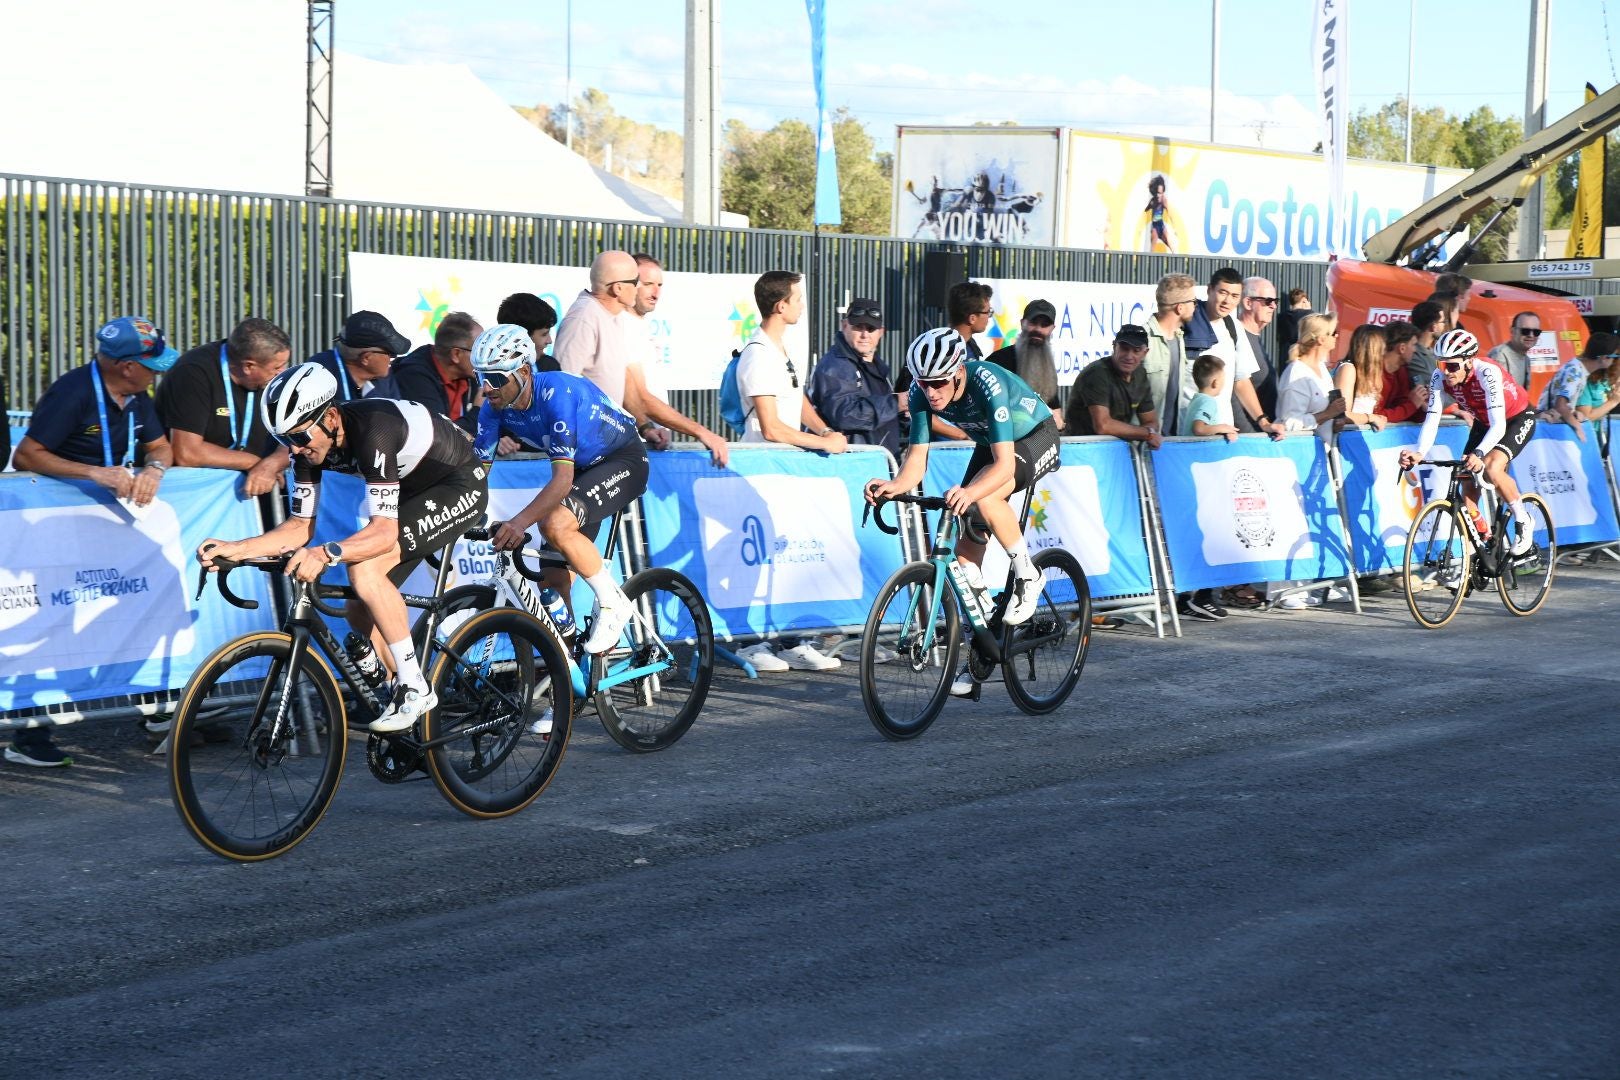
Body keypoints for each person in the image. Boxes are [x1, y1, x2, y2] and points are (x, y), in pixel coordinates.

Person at [195, 364, 489, 733]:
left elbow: (382, 533)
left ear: (331, 416)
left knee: (363, 570)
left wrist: (325, 553)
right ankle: (401, 699)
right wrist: (237, 548)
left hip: (457, 483)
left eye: (300, 436)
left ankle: (415, 687)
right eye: (286, 440)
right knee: (357, 606)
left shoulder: (374, 430)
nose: (296, 449)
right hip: (411, 491)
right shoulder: (307, 448)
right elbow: (300, 527)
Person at [9, 316, 178, 767]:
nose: (156, 373)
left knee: (131, 607)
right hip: (55, 529)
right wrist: (93, 473)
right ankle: (27, 732)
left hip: (107, 531)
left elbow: (162, 447)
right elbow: (26, 454)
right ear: (125, 366)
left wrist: (154, 470)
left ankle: (157, 707)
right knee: (52, 620)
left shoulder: (138, 397)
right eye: (150, 365)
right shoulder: (75, 392)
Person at [866, 328, 1061, 695]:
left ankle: (1028, 575)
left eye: (939, 382)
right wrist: (893, 486)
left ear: (958, 371)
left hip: (1034, 435)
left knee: (985, 500)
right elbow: (917, 460)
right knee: (965, 557)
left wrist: (971, 490)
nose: (931, 391)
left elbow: (1003, 468)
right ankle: (986, 642)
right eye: (924, 383)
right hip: (995, 442)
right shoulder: (921, 394)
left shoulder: (987, 383)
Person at [468, 324, 644, 653]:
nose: (487, 387)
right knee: (551, 585)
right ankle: (567, 673)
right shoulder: (493, 409)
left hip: (622, 460)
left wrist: (519, 522)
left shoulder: (556, 393)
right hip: (582, 470)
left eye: (496, 378)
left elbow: (561, 481)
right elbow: (477, 473)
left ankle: (613, 603)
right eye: (481, 378)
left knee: (554, 524)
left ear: (522, 371)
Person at [734, 270, 848, 673]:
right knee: (765, 560)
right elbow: (771, 427)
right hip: (762, 472)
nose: (802, 305)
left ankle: (789, 641)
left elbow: (795, 401)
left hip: (785, 472)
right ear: (780, 306)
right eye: (798, 299)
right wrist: (824, 443)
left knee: (788, 560)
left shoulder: (780, 349)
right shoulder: (757, 353)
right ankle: (752, 643)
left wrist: (823, 429)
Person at [1401, 328, 1539, 557]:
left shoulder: (1487, 372)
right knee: (1466, 486)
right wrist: (1419, 452)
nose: (1446, 372)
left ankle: (1523, 520)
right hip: (1485, 422)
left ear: (1468, 362)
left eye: (1452, 365)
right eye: (1441, 364)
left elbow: (1499, 426)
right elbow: (1432, 419)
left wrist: (1479, 452)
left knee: (1493, 467)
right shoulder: (1439, 377)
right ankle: (1481, 546)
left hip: (1516, 418)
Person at [155, 318, 290, 497]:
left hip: (253, 497)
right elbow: (187, 452)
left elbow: (300, 437)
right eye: (277, 367)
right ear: (249, 366)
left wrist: (272, 463)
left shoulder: (277, 380)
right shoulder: (192, 373)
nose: (283, 372)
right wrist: (254, 462)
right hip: (194, 498)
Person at [617, 252, 730, 465]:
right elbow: (640, 397)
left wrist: (652, 428)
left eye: (660, 284)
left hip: (648, 444)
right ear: (628, 284)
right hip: (627, 450)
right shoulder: (622, 327)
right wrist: (701, 432)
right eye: (648, 283)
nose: (656, 292)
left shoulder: (640, 326)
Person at [1183, 268, 1284, 437]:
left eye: (1234, 296)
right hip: (1186, 437)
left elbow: (1242, 380)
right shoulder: (1186, 322)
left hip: (1225, 435)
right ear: (1209, 290)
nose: (1227, 301)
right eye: (1223, 293)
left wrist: (1263, 422)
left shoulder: (1234, 327)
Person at [807, 296, 902, 457]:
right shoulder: (835, 365)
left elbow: (884, 417)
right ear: (844, 326)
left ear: (881, 332)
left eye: (871, 328)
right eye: (858, 327)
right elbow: (845, 415)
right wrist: (896, 403)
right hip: (850, 464)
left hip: (877, 462)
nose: (865, 334)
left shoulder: (877, 367)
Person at [1064, 324, 1162, 448]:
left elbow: (1151, 421)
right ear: (1114, 346)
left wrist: (1149, 432)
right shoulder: (1097, 373)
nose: (1129, 356)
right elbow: (1103, 426)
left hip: (1116, 452)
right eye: (1124, 349)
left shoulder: (1140, 374)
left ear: (1145, 353)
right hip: (1082, 449)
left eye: (1136, 351)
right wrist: (1147, 433)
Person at [392, 311, 483, 434]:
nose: (485, 357)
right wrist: (478, 411)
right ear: (456, 354)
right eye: (480, 351)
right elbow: (439, 436)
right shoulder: (414, 377)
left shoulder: (470, 374)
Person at [985, 299, 1063, 427]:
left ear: (1052, 329)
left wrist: (1059, 423)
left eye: (1044, 325)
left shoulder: (1047, 368)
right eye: (1033, 322)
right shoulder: (997, 362)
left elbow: (1056, 414)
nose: (1038, 329)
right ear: (1022, 323)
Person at [307, 310, 407, 401]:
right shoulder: (317, 376)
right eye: (390, 353)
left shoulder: (385, 379)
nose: (393, 358)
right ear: (366, 358)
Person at [1538, 333, 1620, 443]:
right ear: (1604, 358)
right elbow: (1560, 405)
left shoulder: (1577, 366)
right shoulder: (1576, 372)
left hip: (1550, 427)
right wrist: (1577, 427)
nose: (1614, 361)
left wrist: (1573, 413)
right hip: (1548, 429)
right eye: (1615, 356)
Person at [1277, 313, 1345, 440]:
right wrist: (1328, 414)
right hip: (1301, 454)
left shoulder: (1321, 367)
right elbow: (1290, 423)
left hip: (1322, 451)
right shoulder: (1296, 373)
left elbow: (1328, 412)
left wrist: (1336, 420)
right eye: (1334, 332)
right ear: (1321, 339)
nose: (1337, 336)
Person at [1143, 273, 1198, 431]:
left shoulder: (1179, 337)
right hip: (1142, 442)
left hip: (1170, 439)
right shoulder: (1143, 340)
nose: (1196, 306)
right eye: (1193, 302)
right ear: (1180, 307)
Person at [1238, 277, 1280, 422]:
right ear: (1248, 303)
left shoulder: (1255, 337)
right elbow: (1234, 393)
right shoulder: (1235, 337)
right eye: (1268, 301)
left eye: (1276, 301)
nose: (1273, 306)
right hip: (1248, 437)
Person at [1334, 325, 1390, 432]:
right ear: (1374, 348)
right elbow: (1341, 415)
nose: (1385, 350)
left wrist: (1376, 418)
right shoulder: (1348, 369)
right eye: (1383, 346)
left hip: (1356, 436)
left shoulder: (1370, 374)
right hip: (1343, 439)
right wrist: (1371, 418)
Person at [1374, 321, 1427, 425]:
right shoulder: (1374, 371)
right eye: (1413, 345)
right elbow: (1376, 416)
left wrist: (1422, 406)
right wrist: (1412, 405)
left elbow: (1403, 412)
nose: (1415, 350)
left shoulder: (1401, 371)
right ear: (1402, 348)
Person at [494, 293, 562, 372]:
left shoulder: (550, 366)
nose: (549, 341)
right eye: (544, 334)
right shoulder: (494, 372)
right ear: (520, 337)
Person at [1180, 354, 1239, 443]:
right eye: (1223, 379)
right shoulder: (1208, 402)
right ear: (1216, 383)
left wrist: (1221, 432)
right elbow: (1198, 429)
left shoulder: (1197, 399)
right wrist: (1222, 427)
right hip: (1198, 453)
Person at [1486, 311, 1540, 391]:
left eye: (1536, 332)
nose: (1531, 335)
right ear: (1512, 331)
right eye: (1525, 331)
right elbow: (1497, 395)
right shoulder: (1500, 355)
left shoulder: (1526, 359)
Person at [946, 281, 993, 361]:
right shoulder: (945, 352)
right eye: (987, 312)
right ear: (972, 319)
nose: (989, 317)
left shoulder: (970, 344)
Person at [1275, 287, 1313, 360]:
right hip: (1305, 355)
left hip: (1287, 355)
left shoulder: (1281, 316)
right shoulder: (1309, 314)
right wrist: (1309, 310)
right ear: (1304, 300)